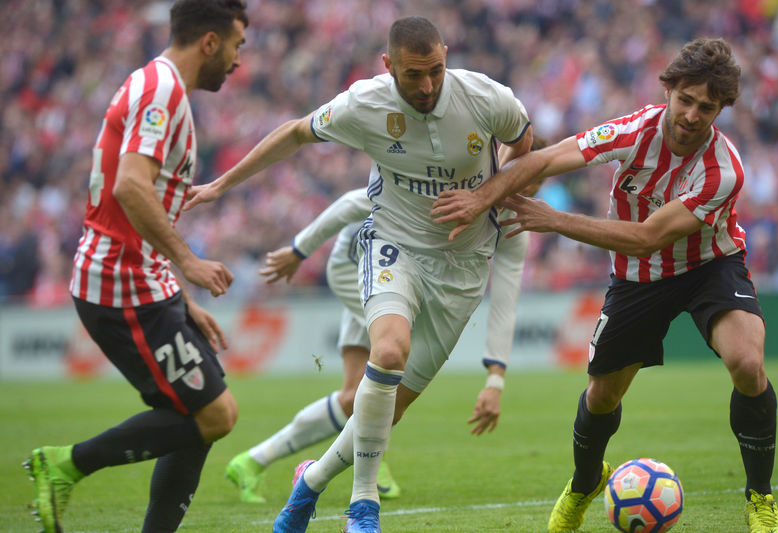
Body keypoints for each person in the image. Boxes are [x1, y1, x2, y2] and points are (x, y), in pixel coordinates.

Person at [184, 15, 532, 532]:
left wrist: (487, 195)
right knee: (387, 353)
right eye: (413, 75)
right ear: (387, 66)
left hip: (463, 271)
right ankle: (362, 508)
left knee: (382, 413)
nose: (428, 85)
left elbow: (524, 146)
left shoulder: (487, 97)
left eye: (436, 70)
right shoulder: (365, 104)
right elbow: (295, 134)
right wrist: (221, 185)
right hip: (394, 246)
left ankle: (308, 486)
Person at [431, 38, 778, 533]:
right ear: (669, 91)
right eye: (685, 100)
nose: (691, 115)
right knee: (601, 399)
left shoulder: (723, 169)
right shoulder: (635, 130)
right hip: (640, 279)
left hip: (711, 265)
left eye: (706, 107)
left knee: (748, 363)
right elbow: (548, 159)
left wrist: (555, 220)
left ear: (721, 109)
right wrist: (481, 198)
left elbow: (647, 237)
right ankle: (583, 484)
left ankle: (761, 498)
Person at [23, 2, 248, 532]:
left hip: (143, 281)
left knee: (203, 413)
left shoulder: (155, 83)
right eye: (238, 44)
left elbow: (137, 199)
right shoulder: (162, 90)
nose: (239, 60)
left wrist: (180, 293)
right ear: (210, 42)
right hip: (120, 285)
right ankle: (65, 464)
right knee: (217, 414)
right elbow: (129, 185)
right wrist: (188, 262)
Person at [225, 180, 531, 503]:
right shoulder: (457, 182)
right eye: (525, 176)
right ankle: (369, 464)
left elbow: (505, 300)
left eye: (534, 183)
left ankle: (254, 461)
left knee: (355, 396)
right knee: (389, 367)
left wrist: (495, 379)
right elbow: (351, 203)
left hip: (403, 276)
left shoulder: (512, 224)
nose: (526, 191)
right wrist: (300, 249)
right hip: (361, 265)